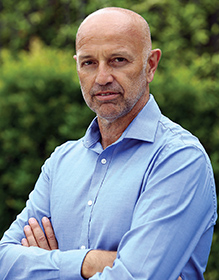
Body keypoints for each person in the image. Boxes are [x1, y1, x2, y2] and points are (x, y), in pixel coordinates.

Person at [0, 7, 217, 280]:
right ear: (77, 66)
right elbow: (4, 261)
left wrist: (46, 265)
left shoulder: (179, 159)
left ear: (150, 65)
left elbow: (136, 277)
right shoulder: (61, 162)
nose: (102, 78)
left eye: (118, 60)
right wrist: (90, 263)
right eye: (89, 63)